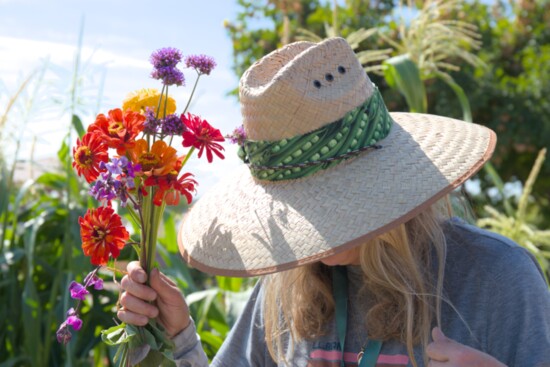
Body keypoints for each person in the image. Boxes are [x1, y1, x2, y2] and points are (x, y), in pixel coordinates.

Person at [117, 37, 550, 367]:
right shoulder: (284, 285)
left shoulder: (496, 279)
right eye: (296, 206)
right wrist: (178, 337)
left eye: (320, 203)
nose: (310, 227)